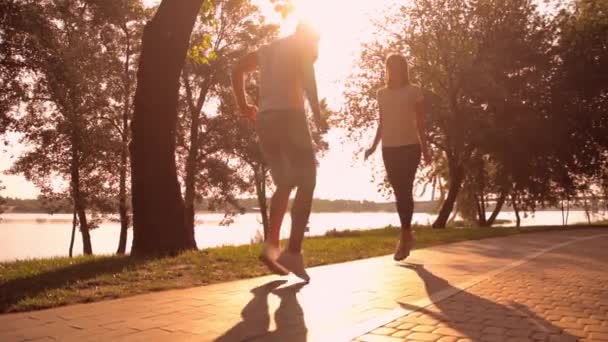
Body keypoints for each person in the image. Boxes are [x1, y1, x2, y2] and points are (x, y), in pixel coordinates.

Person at [231, 23, 328, 281]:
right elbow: (309, 82)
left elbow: (238, 68)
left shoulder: (269, 49)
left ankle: (271, 246)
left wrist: (243, 104)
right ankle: (293, 251)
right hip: (290, 117)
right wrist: (318, 116)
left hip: (266, 119)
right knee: (308, 180)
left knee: (285, 183)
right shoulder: (302, 45)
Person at [364, 54, 430, 261]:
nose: (393, 71)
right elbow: (382, 123)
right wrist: (373, 146)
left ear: (403, 69)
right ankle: (408, 234)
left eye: (397, 67)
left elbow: (420, 122)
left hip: (411, 146)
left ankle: (404, 236)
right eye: (389, 67)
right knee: (398, 192)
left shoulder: (414, 91)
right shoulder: (381, 94)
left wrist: (426, 149)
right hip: (389, 148)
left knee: (405, 190)